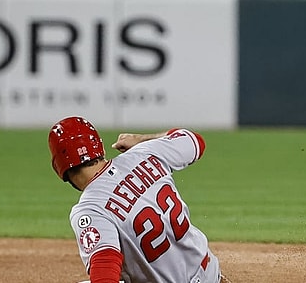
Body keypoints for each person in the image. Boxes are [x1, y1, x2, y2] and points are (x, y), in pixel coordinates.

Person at [47, 116, 228, 283]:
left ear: (60, 166)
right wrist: (141, 139)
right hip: (210, 273)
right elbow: (195, 141)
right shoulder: (145, 152)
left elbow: (105, 269)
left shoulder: (89, 209)